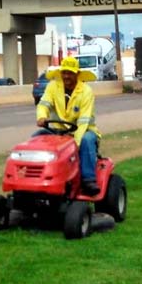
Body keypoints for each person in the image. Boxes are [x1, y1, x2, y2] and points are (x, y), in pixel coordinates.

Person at [36, 56, 101, 195]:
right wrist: (41, 116)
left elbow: (83, 121)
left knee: (87, 140)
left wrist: (75, 143)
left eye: (70, 73)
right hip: (56, 130)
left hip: (83, 131)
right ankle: (38, 176)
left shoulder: (86, 91)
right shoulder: (53, 86)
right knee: (36, 139)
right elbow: (43, 104)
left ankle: (88, 179)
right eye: (64, 72)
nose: (66, 76)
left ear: (77, 74)